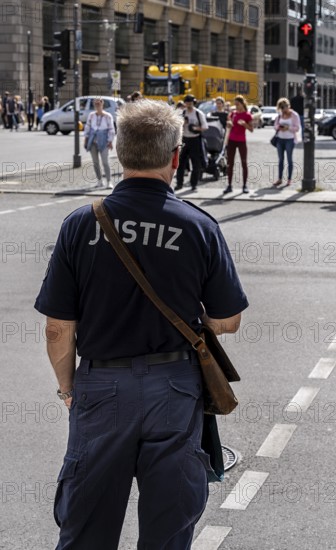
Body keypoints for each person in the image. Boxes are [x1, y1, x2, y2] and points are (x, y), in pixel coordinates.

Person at [34, 99, 248, 550]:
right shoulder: (198, 225)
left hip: (102, 385)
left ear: (117, 149)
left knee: (86, 525)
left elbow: (58, 327)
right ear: (175, 157)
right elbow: (228, 319)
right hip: (174, 387)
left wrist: (68, 388)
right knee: (169, 526)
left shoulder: (80, 224)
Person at [175, 93, 208, 192]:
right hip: (184, 139)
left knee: (196, 163)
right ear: (185, 103)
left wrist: (196, 128)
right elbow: (176, 126)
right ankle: (179, 184)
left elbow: (205, 127)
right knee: (180, 164)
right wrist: (183, 123)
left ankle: (194, 184)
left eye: (190, 102)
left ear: (193, 103)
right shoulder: (182, 113)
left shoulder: (198, 113)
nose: (189, 104)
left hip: (195, 139)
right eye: (187, 102)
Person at [223, 94, 253, 195]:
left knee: (244, 162)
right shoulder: (232, 114)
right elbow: (228, 125)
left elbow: (251, 129)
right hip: (231, 140)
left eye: (237, 104)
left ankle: (244, 185)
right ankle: (229, 185)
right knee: (230, 163)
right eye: (235, 104)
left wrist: (244, 124)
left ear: (242, 104)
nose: (236, 106)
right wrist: (229, 124)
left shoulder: (247, 115)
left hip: (241, 141)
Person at [84, 97, 115, 188]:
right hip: (93, 140)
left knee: (105, 162)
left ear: (102, 104)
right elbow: (87, 127)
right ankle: (99, 180)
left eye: (99, 103)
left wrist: (110, 141)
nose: (97, 105)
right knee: (95, 162)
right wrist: (86, 140)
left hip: (104, 141)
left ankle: (109, 181)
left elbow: (111, 129)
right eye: (95, 104)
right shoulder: (91, 115)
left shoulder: (108, 116)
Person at [272, 97, 301, 188]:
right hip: (280, 139)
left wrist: (288, 128)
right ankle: (279, 178)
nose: (283, 109)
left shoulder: (294, 115)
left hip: (290, 139)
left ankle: (289, 179)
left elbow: (297, 128)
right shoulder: (280, 115)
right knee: (280, 160)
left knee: (289, 159)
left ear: (288, 106)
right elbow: (275, 125)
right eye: (281, 107)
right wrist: (279, 127)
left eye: (284, 107)